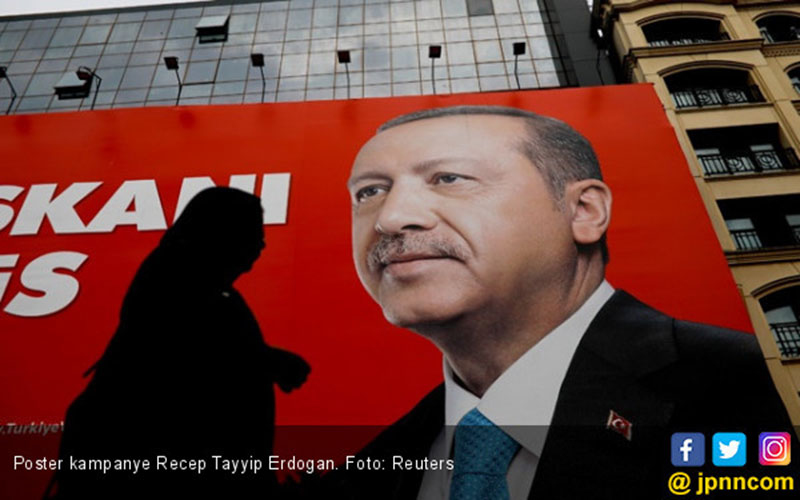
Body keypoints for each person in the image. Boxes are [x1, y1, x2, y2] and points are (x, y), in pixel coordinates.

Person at [333, 106, 798, 499]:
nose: (391, 218)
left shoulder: (720, 381)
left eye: (449, 178)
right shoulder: (367, 468)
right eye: (369, 192)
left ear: (584, 212)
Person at [48, 187, 310, 500]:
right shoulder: (173, 284)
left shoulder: (200, 288)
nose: (261, 243)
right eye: (252, 231)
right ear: (219, 234)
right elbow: (185, 352)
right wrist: (268, 361)